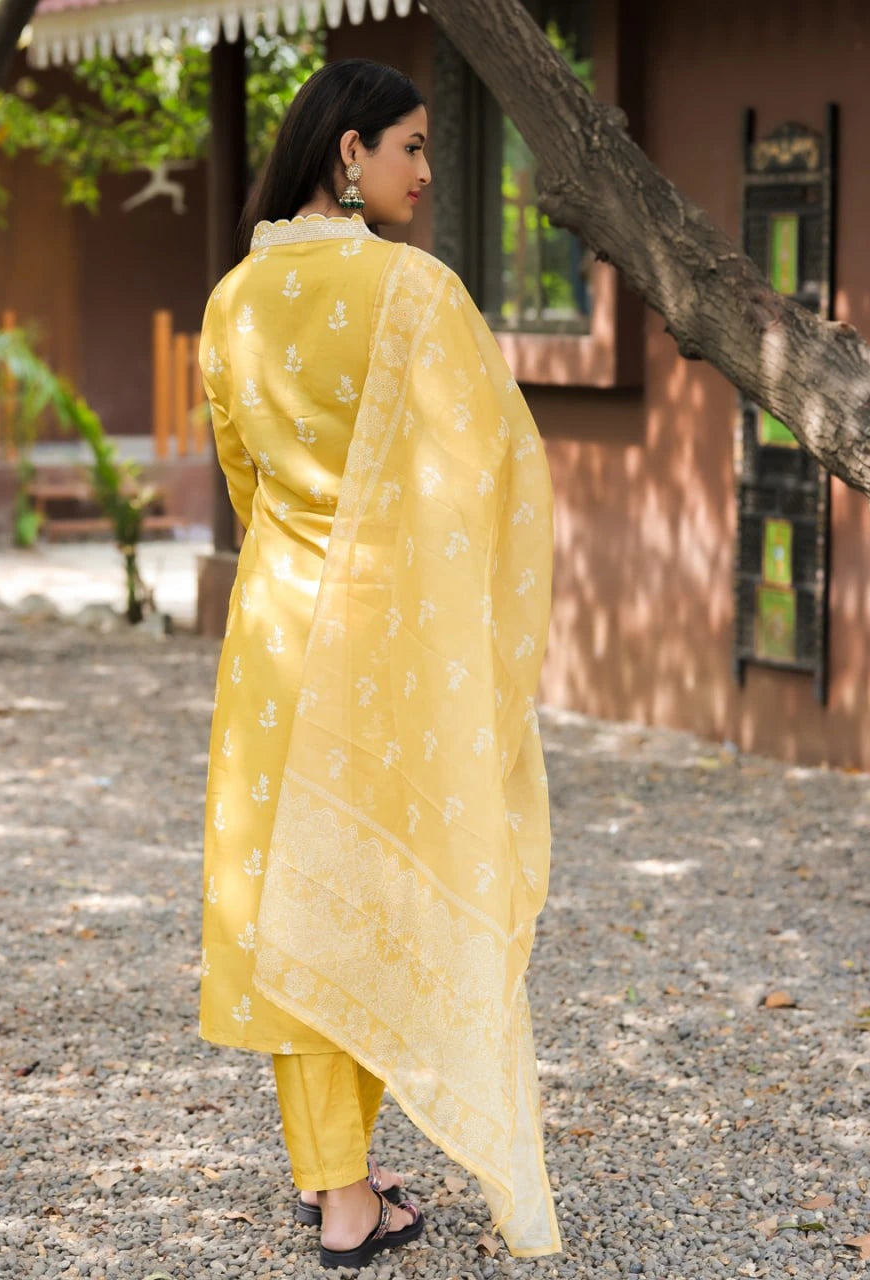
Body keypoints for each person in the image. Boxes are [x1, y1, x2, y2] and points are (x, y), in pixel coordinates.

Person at [198, 59, 561, 1269]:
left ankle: (335, 1169)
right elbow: (492, 476)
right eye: (412, 146)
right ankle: (348, 1207)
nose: (423, 170)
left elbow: (246, 487)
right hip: (381, 647)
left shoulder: (234, 301)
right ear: (347, 152)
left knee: (296, 895)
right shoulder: (415, 294)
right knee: (361, 885)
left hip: (272, 643)